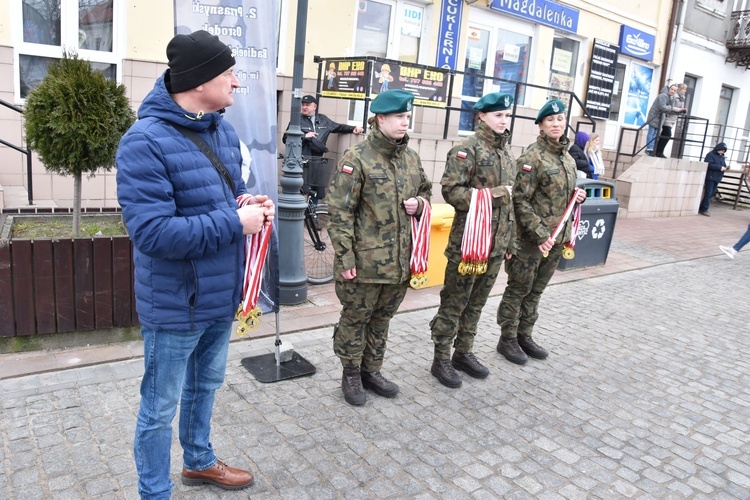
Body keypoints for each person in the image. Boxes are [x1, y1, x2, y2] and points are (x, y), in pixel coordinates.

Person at [116, 30, 274, 498]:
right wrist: (234, 220)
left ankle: (199, 461)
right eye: (228, 73)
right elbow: (152, 234)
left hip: (217, 297)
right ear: (200, 80)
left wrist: (246, 205)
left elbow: (218, 202)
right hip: (174, 304)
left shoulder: (220, 128)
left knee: (205, 388)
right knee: (159, 407)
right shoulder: (143, 141)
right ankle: (154, 490)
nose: (236, 83)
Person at [327, 89, 431, 406]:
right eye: (399, 117)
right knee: (356, 319)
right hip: (364, 263)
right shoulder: (356, 159)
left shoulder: (411, 158)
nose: (404, 122)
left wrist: (420, 204)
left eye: (407, 117)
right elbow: (339, 212)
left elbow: (425, 190)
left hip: (399, 262)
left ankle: (372, 371)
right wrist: (345, 257)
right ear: (381, 118)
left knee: (381, 320)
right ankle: (351, 374)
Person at [429, 92, 517, 388]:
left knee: (477, 303)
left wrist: (509, 242)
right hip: (468, 245)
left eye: (507, 115)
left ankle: (463, 352)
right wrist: (492, 195)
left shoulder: (506, 152)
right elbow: (451, 191)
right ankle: (441, 358)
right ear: (482, 116)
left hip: (495, 245)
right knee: (455, 302)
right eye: (498, 115)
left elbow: (511, 202)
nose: (504, 120)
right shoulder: (466, 150)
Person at [496, 99, 586, 365]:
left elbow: (559, 196)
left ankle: (525, 334)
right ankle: (507, 338)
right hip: (531, 240)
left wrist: (576, 196)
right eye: (550, 121)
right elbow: (519, 200)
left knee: (536, 291)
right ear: (541, 126)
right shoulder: (531, 157)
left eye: (560, 119)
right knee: (519, 289)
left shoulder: (568, 158)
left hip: (556, 237)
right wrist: (539, 234)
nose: (556, 124)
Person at [283, 95, 364, 206]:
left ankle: (313, 213)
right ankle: (299, 211)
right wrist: (305, 136)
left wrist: (353, 128)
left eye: (307, 105)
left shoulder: (323, 120)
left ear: (314, 106)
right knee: (301, 188)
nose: (304, 107)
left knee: (316, 188)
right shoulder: (296, 120)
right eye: (303, 105)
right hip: (302, 160)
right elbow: (286, 139)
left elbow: (337, 127)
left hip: (317, 159)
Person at [645, 84, 682, 156]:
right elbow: (663, 107)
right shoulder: (663, 95)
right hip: (654, 116)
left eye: (674, 90)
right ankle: (649, 148)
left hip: (661, 117)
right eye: (672, 89)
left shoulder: (672, 97)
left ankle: (652, 149)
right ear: (669, 89)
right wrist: (670, 107)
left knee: (655, 133)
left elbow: (668, 108)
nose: (672, 91)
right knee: (651, 132)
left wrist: (669, 108)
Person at [654, 83, 687, 158]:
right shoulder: (674, 97)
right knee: (667, 135)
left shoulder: (682, 97)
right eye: (684, 89)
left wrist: (683, 110)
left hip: (673, 119)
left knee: (664, 135)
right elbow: (670, 107)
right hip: (668, 118)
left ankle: (658, 151)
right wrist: (679, 109)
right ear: (679, 89)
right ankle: (659, 152)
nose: (685, 91)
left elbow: (680, 107)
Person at [699, 142, 729, 216]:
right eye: (722, 150)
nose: (723, 152)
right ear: (718, 149)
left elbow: (723, 164)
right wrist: (720, 168)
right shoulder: (710, 155)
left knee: (711, 193)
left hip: (717, 177)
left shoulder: (721, 156)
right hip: (711, 177)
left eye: (724, 151)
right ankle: (704, 209)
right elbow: (709, 164)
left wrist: (725, 167)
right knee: (708, 193)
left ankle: (702, 207)